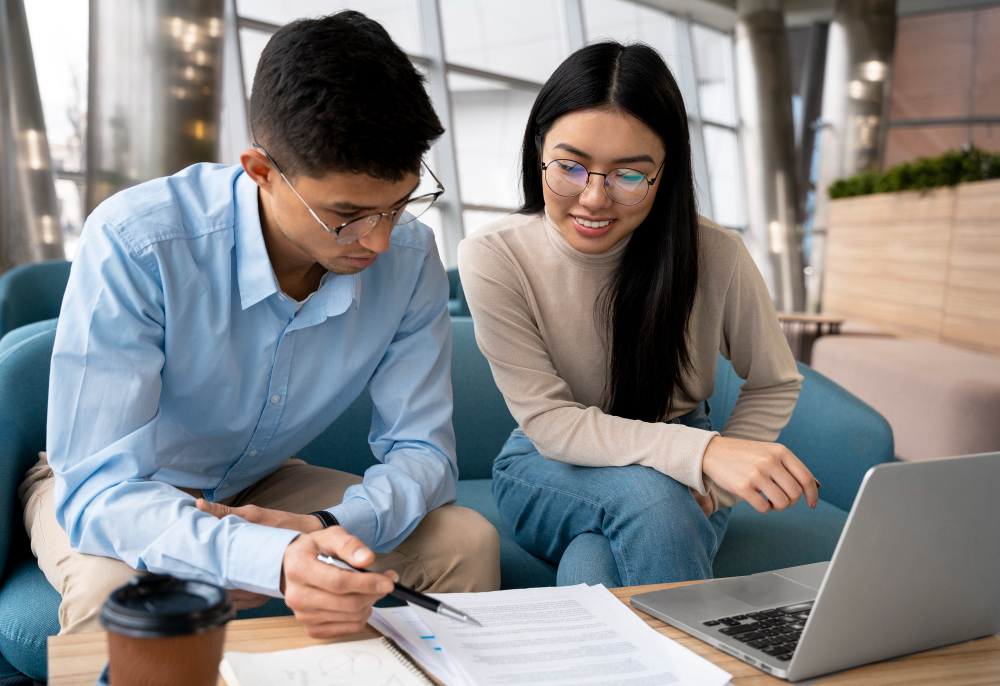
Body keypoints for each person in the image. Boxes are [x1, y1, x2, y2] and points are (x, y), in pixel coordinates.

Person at [19, 11, 500, 637]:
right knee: (123, 598)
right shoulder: (139, 241)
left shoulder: (409, 257)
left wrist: (326, 527)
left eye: (400, 204)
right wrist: (264, 559)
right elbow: (100, 491)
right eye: (346, 214)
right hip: (115, 486)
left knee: (463, 540)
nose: (379, 241)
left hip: (260, 479)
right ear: (261, 171)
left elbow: (422, 450)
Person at [457, 41, 818, 588]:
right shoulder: (494, 254)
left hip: (686, 458)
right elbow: (552, 423)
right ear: (539, 153)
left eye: (628, 175)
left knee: (596, 563)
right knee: (653, 498)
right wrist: (706, 453)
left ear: (665, 172)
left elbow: (773, 381)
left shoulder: (715, 254)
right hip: (550, 463)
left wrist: (713, 484)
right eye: (571, 168)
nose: (595, 198)